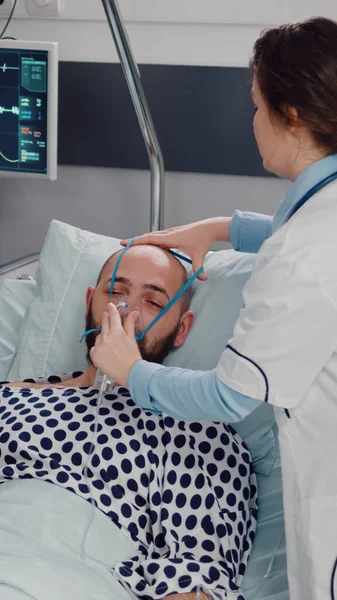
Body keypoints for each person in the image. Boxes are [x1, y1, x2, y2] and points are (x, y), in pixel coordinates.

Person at [89, 16, 337, 600]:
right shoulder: (317, 215)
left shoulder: (302, 258)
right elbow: (293, 224)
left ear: (292, 115)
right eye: (117, 289)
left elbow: (230, 397)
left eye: (257, 106)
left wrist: (133, 373)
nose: (252, 122)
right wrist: (220, 229)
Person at [0, 244, 258, 600]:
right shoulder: (10, 397)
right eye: (115, 292)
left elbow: (197, 576)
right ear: (90, 302)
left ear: (182, 329)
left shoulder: (196, 431)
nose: (126, 311)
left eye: (153, 302)